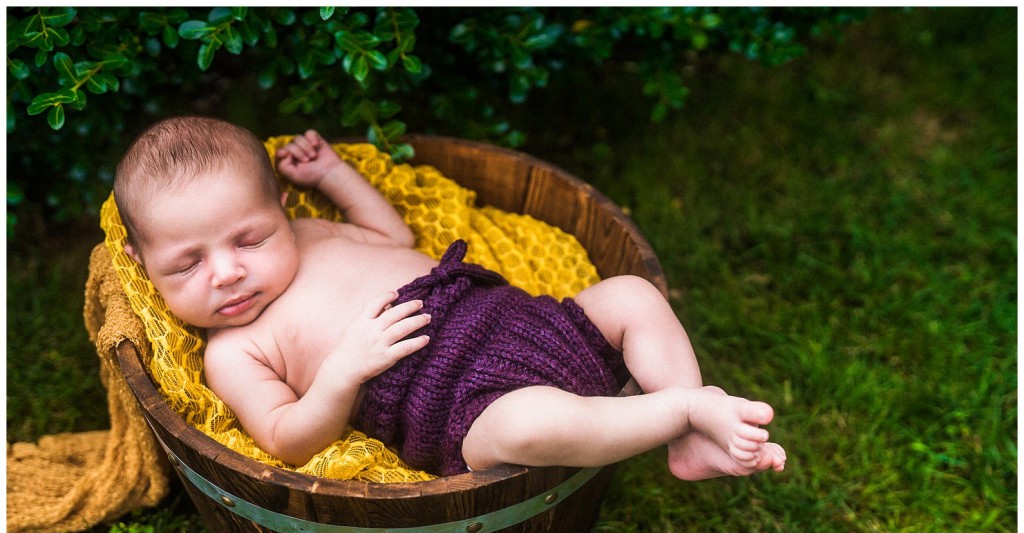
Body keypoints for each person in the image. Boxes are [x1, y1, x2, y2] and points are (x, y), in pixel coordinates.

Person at [113, 115, 787, 480]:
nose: (227, 272)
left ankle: (690, 439)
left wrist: (336, 175)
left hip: (516, 317)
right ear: (145, 265)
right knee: (525, 428)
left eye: (248, 238)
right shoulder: (234, 351)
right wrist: (343, 369)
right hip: (461, 402)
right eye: (188, 264)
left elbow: (391, 233)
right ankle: (685, 408)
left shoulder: (313, 231)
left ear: (283, 209)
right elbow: (287, 440)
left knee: (632, 295)